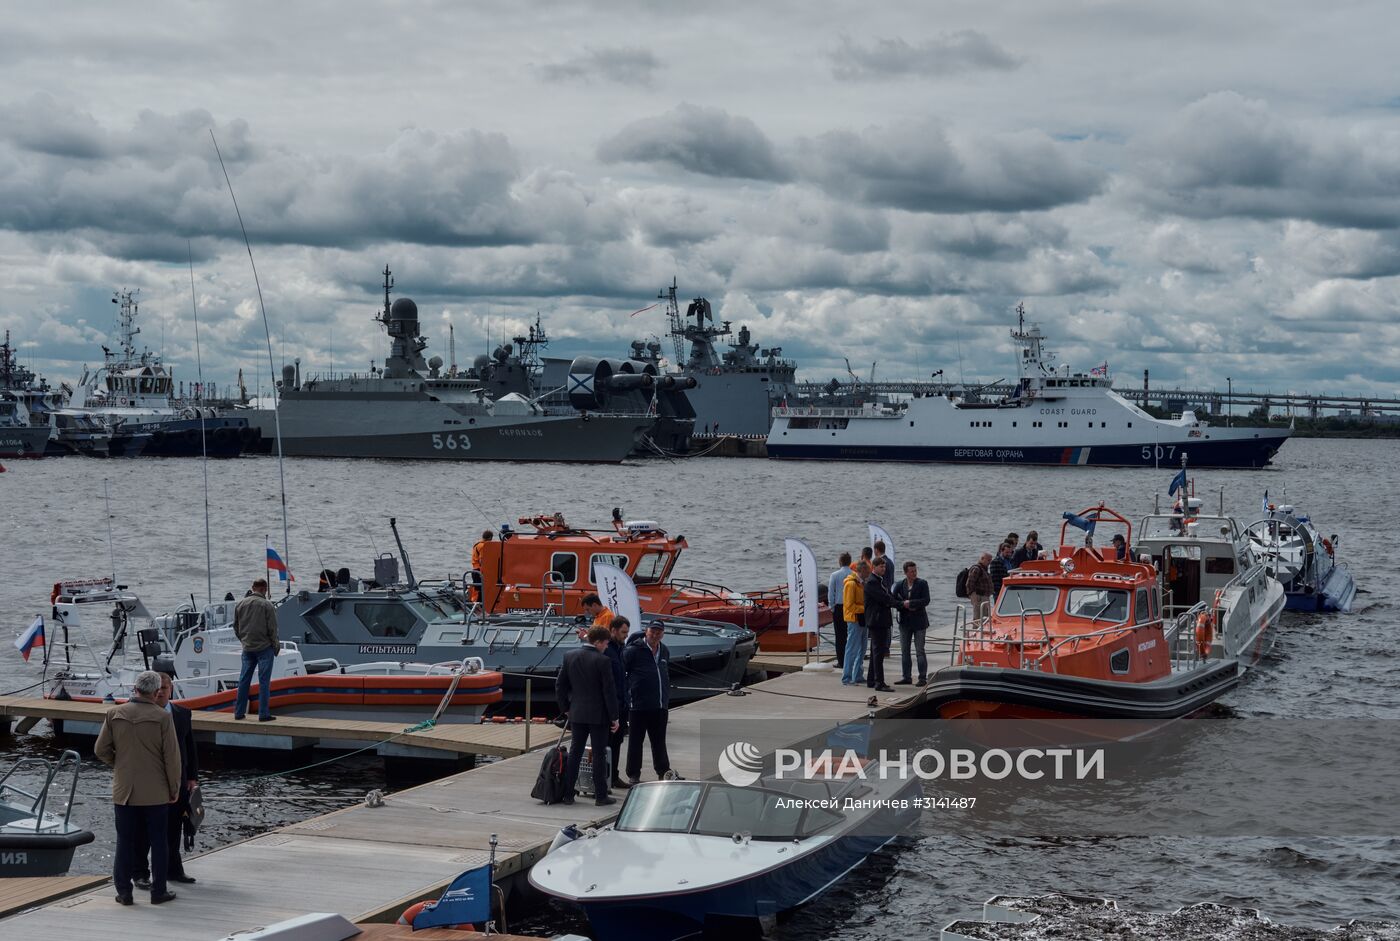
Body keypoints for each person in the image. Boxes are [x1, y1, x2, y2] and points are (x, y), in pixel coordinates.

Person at [95, 670, 181, 906]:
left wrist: (119, 764)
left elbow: (100, 750)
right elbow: (171, 758)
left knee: (125, 842)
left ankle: (124, 892)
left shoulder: (114, 714)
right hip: (156, 792)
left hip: (124, 792)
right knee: (159, 843)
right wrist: (174, 788)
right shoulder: (163, 717)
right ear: (155, 692)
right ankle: (158, 891)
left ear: (135, 689)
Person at [134, 671, 198, 889]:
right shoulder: (142, 713)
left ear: (171, 690)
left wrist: (192, 778)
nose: (160, 692)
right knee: (144, 830)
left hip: (178, 782)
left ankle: (174, 870)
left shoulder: (182, 714)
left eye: (165, 688)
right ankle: (141, 873)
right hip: (151, 782)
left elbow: (190, 747)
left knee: (174, 828)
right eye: (158, 688)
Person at [556, 625, 620, 806]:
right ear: (598, 642)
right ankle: (601, 796)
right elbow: (609, 691)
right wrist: (614, 717)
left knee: (575, 752)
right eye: (606, 643)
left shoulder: (569, 656)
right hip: (598, 715)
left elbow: (560, 686)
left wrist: (565, 708)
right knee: (599, 754)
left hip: (576, 713)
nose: (607, 647)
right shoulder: (603, 661)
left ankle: (568, 794)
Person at [623, 620, 673, 785]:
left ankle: (663, 771)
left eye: (659, 631)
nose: (655, 634)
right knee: (636, 741)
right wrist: (629, 694)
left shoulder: (664, 650)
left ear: (663, 633)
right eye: (653, 631)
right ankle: (633, 774)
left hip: (659, 705)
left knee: (659, 741)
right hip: (638, 705)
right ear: (646, 631)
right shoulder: (633, 650)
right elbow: (623, 673)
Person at [233, 578, 278, 722]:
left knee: (244, 680)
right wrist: (275, 646)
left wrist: (244, 641)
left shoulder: (240, 604)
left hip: (247, 648)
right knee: (264, 682)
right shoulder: (267, 605)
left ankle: (239, 712)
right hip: (264, 648)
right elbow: (272, 629)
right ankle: (263, 714)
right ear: (265, 589)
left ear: (252, 588)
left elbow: (236, 627)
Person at [604, 616, 632, 791]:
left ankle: (613, 776)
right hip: (609, 706)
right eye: (623, 632)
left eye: (627, 633)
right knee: (606, 743)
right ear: (613, 630)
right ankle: (604, 778)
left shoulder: (620, 649)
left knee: (617, 742)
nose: (625, 636)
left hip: (621, 705)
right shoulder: (606, 650)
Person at [893, 561, 930, 685]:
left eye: (915, 570)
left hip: (919, 622)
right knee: (905, 650)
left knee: (920, 650)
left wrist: (912, 603)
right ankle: (906, 677)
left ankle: (922, 677)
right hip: (905, 622)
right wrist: (903, 605)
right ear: (905, 572)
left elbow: (926, 600)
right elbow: (894, 600)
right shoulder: (899, 585)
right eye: (911, 571)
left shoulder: (922, 583)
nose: (914, 573)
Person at [862, 559, 897, 691]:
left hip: (880, 620)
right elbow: (884, 598)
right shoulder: (872, 582)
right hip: (877, 621)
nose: (884, 569)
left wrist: (897, 601)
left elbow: (889, 596)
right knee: (878, 653)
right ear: (874, 567)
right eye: (881, 567)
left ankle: (871, 680)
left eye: (884, 567)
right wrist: (900, 604)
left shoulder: (880, 581)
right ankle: (879, 682)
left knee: (875, 651)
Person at [840, 560, 869, 686]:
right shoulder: (851, 584)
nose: (869, 572)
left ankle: (857, 675)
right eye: (868, 570)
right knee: (851, 649)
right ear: (861, 570)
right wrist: (866, 608)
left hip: (862, 619)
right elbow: (849, 605)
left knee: (862, 649)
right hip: (854, 619)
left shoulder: (862, 583)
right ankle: (846, 677)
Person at [827, 552, 852, 669]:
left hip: (839, 607)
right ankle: (851, 659)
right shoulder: (854, 574)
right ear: (850, 562)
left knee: (840, 636)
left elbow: (831, 593)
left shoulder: (835, 575)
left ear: (840, 561)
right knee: (851, 635)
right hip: (851, 607)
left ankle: (841, 661)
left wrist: (832, 607)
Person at [966, 553, 993, 622]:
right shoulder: (976, 569)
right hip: (979, 596)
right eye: (988, 560)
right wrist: (973, 595)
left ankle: (983, 630)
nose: (989, 562)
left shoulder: (984, 569)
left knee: (985, 617)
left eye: (990, 560)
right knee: (978, 617)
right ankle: (976, 631)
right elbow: (969, 583)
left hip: (985, 596)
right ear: (982, 559)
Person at [470, 530, 494, 601]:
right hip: (479, 571)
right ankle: (477, 605)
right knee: (479, 590)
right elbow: (482, 560)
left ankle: (475, 603)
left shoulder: (477, 544)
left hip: (474, 570)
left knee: (477, 588)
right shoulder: (483, 546)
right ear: (490, 538)